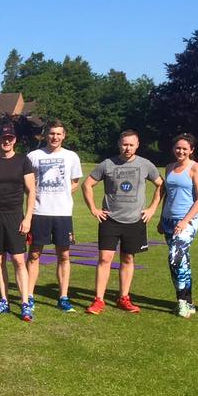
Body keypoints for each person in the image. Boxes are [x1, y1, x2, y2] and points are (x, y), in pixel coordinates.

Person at [82, 130, 163, 315]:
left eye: (131, 145)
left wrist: (152, 208)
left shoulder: (145, 165)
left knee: (127, 259)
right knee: (104, 259)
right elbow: (87, 184)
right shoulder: (107, 164)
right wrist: (94, 209)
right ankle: (98, 300)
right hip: (110, 220)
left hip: (135, 221)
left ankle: (124, 298)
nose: (128, 148)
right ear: (119, 144)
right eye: (125, 144)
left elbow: (161, 184)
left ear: (137, 145)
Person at [26, 120, 83, 313]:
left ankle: (63, 297)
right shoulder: (33, 156)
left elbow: (75, 183)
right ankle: (29, 296)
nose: (55, 137)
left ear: (64, 135)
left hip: (63, 213)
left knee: (64, 255)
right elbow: (28, 184)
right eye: (51, 133)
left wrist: (61, 194)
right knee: (34, 254)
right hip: (39, 212)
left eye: (58, 134)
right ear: (45, 135)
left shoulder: (71, 157)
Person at [0, 124, 34, 321]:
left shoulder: (23, 161)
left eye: (10, 138)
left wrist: (27, 218)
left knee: (19, 260)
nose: (7, 141)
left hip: (15, 217)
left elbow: (31, 192)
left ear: (15, 140)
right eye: (3, 138)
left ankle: (25, 303)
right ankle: (4, 300)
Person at [158, 133, 198, 318]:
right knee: (179, 263)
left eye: (185, 148)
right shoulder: (169, 167)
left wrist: (185, 221)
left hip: (187, 220)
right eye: (178, 148)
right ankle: (188, 301)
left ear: (191, 150)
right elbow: (168, 195)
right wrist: (161, 219)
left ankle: (182, 302)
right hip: (169, 220)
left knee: (175, 258)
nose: (181, 151)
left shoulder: (196, 169)